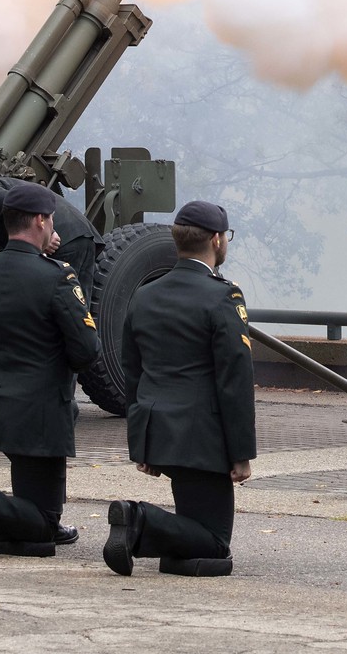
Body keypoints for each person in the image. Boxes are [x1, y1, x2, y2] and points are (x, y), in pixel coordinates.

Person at [0, 182, 101, 557]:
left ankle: (4, 523)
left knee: (37, 533)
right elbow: (87, 350)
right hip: (41, 408)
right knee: (44, 521)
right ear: (42, 221)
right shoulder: (58, 276)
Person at [102, 200, 256, 578]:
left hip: (159, 431)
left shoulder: (146, 294)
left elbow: (133, 371)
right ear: (217, 241)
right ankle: (138, 520)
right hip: (201, 437)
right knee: (216, 545)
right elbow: (234, 381)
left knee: (194, 540)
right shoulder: (223, 296)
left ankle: (143, 529)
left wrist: (142, 443)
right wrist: (241, 453)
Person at [0, 165, 98, 281]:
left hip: (63, 241)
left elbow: (14, 204)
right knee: (77, 304)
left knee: (59, 304)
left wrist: (47, 232)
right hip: (77, 236)